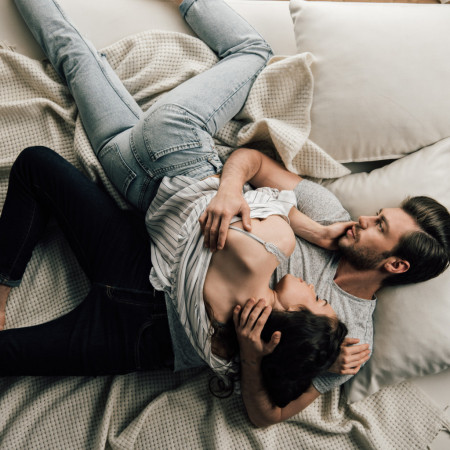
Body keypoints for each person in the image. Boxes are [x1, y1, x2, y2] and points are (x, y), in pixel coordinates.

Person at [1, 0, 352, 427]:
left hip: (175, 146)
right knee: (73, 59)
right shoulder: (225, 358)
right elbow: (264, 410)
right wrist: (288, 360)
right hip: (128, 180)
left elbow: (267, 191)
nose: (318, 290)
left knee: (253, 51)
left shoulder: (272, 247)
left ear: (289, 322)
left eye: (318, 302)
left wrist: (306, 227)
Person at [198, 146, 450, 426]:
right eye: (377, 214)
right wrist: (229, 191)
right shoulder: (330, 215)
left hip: (178, 329)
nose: (363, 219)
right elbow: (252, 160)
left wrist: (251, 356)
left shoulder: (350, 340)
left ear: (396, 265)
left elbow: (267, 415)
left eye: (379, 225)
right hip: (186, 242)